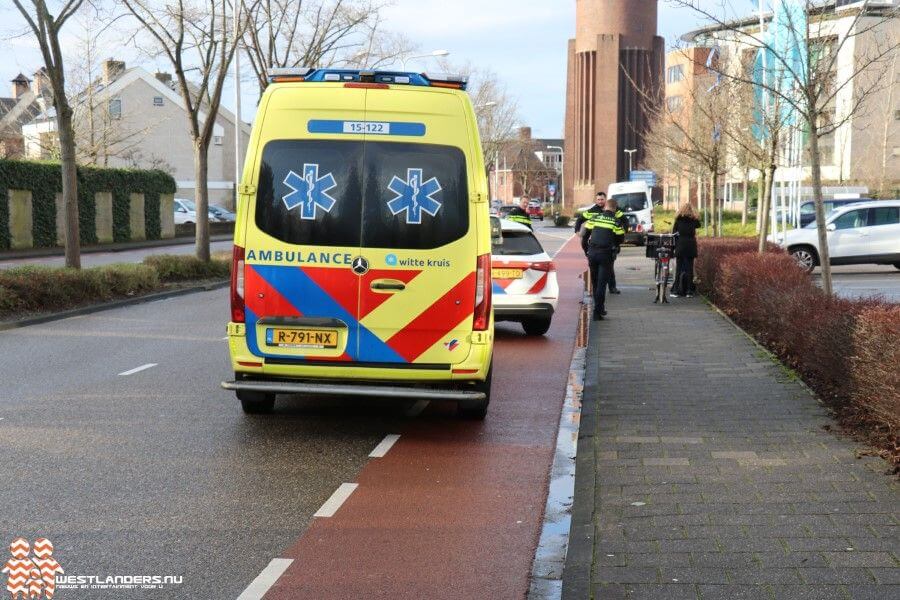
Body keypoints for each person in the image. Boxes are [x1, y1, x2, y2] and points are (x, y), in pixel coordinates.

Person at [584, 198, 624, 320]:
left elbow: (585, 234)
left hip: (592, 253)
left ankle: (599, 309)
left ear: (605, 207)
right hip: (605, 254)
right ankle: (597, 312)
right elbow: (620, 239)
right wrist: (614, 245)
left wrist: (587, 250)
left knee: (595, 283)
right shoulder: (616, 222)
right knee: (602, 284)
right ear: (615, 209)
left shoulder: (595, 218)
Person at [670, 201, 701, 297]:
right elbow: (699, 225)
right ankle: (689, 291)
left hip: (680, 245)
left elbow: (674, 233)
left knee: (678, 269)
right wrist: (694, 215)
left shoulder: (678, 220)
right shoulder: (693, 220)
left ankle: (676, 291)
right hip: (690, 245)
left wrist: (674, 247)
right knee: (689, 269)